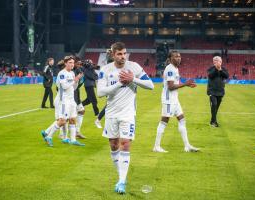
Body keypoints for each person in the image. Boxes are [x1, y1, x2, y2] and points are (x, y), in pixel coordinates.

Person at [97, 42, 154, 194]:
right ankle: (121, 176)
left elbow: (150, 85)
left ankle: (122, 181)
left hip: (128, 113)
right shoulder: (105, 70)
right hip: (111, 114)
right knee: (114, 145)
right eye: (119, 54)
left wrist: (133, 79)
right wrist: (120, 83)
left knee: (125, 144)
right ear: (113, 54)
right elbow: (101, 92)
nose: (123, 57)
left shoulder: (134, 66)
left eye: (124, 53)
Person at [153, 50, 200, 153]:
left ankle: (187, 146)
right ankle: (156, 146)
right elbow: (170, 86)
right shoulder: (170, 69)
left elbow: (176, 83)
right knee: (164, 121)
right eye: (176, 57)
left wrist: (186, 84)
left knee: (182, 120)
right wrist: (186, 84)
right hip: (168, 100)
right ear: (170, 59)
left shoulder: (175, 68)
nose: (178, 58)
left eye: (179, 56)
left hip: (174, 99)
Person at [40, 55, 84, 147]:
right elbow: (64, 86)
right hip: (63, 100)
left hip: (71, 100)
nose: (72, 64)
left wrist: (77, 81)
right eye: (70, 63)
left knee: (72, 119)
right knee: (63, 120)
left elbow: (73, 87)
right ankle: (49, 136)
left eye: (73, 63)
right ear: (65, 63)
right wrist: (75, 80)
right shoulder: (62, 73)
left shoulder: (72, 73)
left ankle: (73, 140)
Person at [207, 56, 229, 127]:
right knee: (214, 104)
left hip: (220, 91)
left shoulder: (224, 69)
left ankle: (212, 120)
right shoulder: (210, 69)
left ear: (221, 62)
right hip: (212, 91)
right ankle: (214, 122)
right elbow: (211, 75)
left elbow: (226, 76)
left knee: (216, 107)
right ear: (213, 62)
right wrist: (217, 69)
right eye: (215, 60)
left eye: (218, 60)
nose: (217, 62)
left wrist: (220, 70)